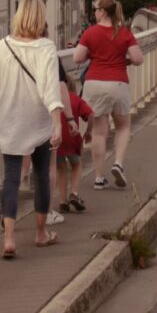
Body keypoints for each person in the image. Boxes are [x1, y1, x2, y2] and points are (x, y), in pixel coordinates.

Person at [0, 0, 66, 257]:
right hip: (38, 119)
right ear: (41, 18)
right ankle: (41, 234)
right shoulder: (46, 48)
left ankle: (9, 239)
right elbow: (51, 88)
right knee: (41, 175)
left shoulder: (3, 46)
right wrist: (57, 123)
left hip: (10, 117)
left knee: (11, 176)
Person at [74, 0, 145, 190]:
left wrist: (93, 54)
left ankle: (98, 177)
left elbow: (77, 58)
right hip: (118, 83)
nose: (94, 12)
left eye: (96, 9)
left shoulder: (90, 32)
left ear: (103, 12)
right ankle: (118, 163)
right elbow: (138, 59)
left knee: (98, 132)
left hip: (94, 83)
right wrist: (124, 59)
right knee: (123, 127)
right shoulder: (124, 33)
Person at [56, 70, 92, 213]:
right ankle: (74, 193)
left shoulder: (52, 100)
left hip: (56, 139)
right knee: (76, 165)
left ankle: (63, 201)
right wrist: (89, 131)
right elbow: (91, 114)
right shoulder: (76, 99)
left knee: (60, 169)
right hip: (72, 138)